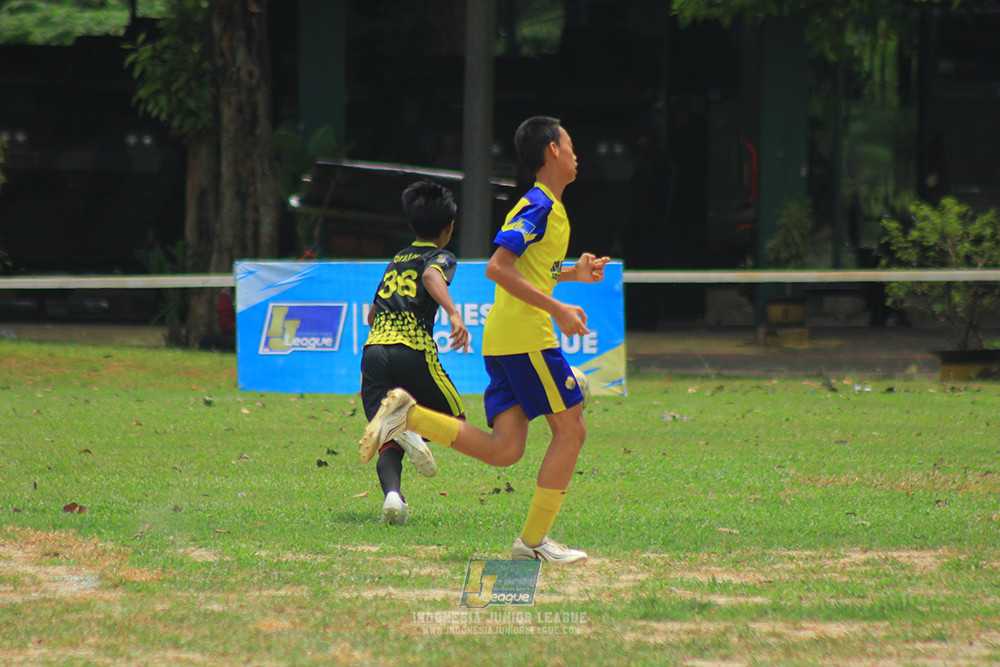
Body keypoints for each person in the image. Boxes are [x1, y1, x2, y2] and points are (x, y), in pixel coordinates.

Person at [359, 116, 609, 564]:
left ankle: (411, 417)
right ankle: (533, 543)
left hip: (507, 339)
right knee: (571, 431)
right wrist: (558, 310)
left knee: (505, 450)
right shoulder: (540, 207)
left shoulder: (543, 206)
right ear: (553, 150)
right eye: (570, 144)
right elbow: (498, 267)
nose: (576, 153)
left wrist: (575, 273)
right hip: (526, 337)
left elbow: (531, 270)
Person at [360, 179, 470, 526]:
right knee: (457, 421)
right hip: (412, 349)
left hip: (374, 351)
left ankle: (393, 497)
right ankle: (412, 426)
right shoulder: (441, 256)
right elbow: (431, 277)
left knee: (386, 437)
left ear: (411, 225)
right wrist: (452, 312)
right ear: (449, 228)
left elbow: (372, 313)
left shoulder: (396, 259)